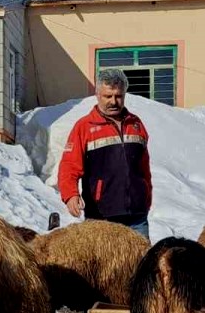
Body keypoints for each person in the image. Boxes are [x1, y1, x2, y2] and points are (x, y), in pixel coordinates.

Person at [57, 68, 153, 241]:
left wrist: (147, 195)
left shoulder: (136, 124)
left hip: (137, 218)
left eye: (118, 96)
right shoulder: (84, 126)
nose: (113, 101)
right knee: (102, 268)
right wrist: (70, 194)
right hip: (101, 217)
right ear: (97, 95)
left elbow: (144, 167)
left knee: (140, 265)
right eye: (108, 96)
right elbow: (69, 166)